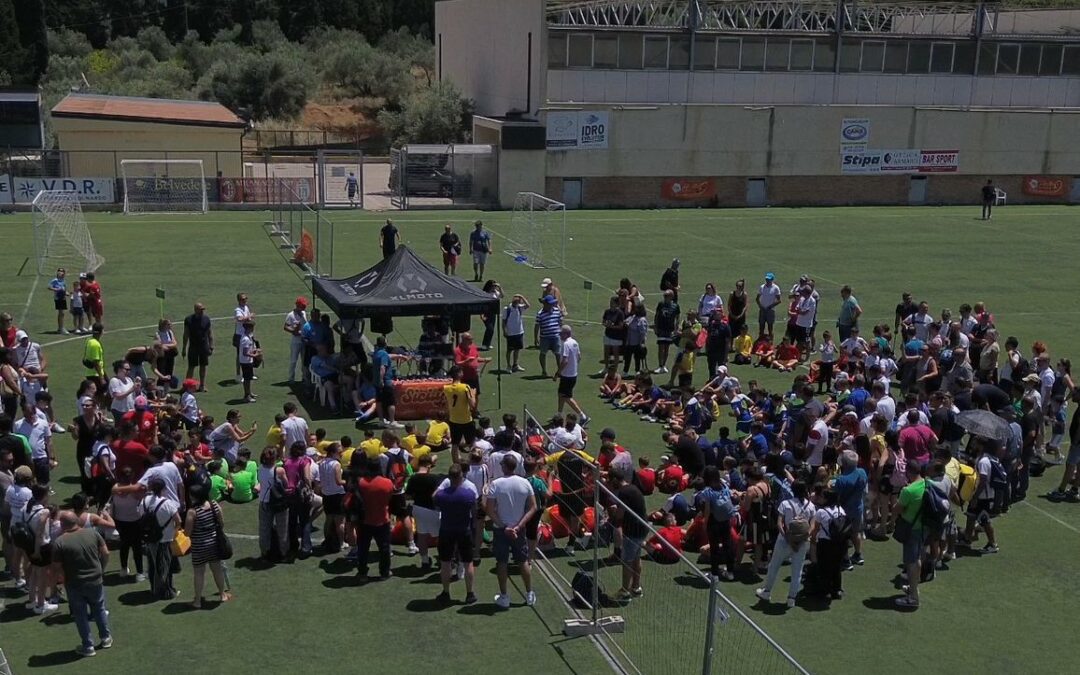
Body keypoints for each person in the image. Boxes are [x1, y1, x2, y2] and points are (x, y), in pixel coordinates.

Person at [50, 511, 113, 657]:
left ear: (63, 524)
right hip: (96, 580)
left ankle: (88, 646)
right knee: (99, 608)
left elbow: (56, 567)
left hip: (74, 583)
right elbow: (106, 553)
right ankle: (105, 638)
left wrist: (62, 580)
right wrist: (101, 569)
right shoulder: (93, 533)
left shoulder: (60, 542)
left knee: (80, 615)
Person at [486, 454, 538, 609]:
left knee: (502, 562)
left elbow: (489, 509)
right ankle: (529, 594)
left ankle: (504, 597)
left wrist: (504, 526)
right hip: (518, 530)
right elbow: (533, 507)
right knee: (523, 561)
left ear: (504, 467)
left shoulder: (496, 484)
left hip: (501, 530)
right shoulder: (525, 483)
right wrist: (518, 526)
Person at [756, 480, 815, 609]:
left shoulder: (785, 504)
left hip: (784, 540)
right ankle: (791, 598)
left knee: (774, 566)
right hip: (802, 542)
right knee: (797, 570)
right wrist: (803, 538)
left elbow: (779, 523)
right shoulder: (811, 506)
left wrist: (788, 538)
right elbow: (812, 525)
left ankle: (766, 592)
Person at [433, 463, 477, 604]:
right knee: (468, 563)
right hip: (464, 530)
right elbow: (474, 511)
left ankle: (446, 592)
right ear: (461, 476)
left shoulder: (441, 495)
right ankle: (470, 593)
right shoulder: (468, 494)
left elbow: (435, 499)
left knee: (445, 563)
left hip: (446, 530)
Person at [184, 483, 233, 608]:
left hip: (199, 546)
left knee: (199, 573)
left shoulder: (192, 512)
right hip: (214, 544)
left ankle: (198, 601)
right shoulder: (214, 505)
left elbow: (187, 533)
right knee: (217, 570)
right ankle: (222, 595)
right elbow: (221, 523)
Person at [139, 476, 181, 600]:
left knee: (152, 565)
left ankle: (154, 589)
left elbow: (141, 515)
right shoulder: (167, 503)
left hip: (150, 538)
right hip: (165, 539)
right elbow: (178, 520)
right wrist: (175, 532)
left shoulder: (144, 501)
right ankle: (167, 592)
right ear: (163, 488)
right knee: (165, 567)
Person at [894, 460, 928, 608]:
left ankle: (913, 598)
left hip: (911, 529)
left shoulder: (908, 491)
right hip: (924, 527)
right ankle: (914, 587)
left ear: (908, 472)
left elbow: (897, 509)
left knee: (911, 562)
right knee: (917, 558)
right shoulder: (927, 484)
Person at [611, 464, 648, 601]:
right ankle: (636, 587)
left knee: (627, 561)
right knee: (636, 558)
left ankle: (625, 591)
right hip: (641, 528)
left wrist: (612, 515)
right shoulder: (633, 488)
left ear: (615, 479)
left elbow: (620, 515)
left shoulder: (624, 492)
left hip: (633, 530)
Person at [356, 457, 394, 579]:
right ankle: (384, 572)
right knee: (384, 548)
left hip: (365, 520)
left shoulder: (361, 482)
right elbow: (390, 498)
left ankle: (362, 573)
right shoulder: (387, 483)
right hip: (382, 519)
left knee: (363, 549)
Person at [700, 466, 736, 581]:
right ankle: (730, 572)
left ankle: (714, 574)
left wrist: (705, 523)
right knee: (727, 545)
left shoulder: (707, 492)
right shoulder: (724, 486)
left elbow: (707, 510)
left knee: (714, 548)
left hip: (714, 522)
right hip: (726, 521)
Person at [813, 489, 847, 601]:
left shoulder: (821, 512)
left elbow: (815, 529)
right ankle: (837, 590)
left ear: (827, 499)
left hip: (825, 544)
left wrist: (813, 540)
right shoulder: (841, 510)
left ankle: (825, 591)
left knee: (824, 567)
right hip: (840, 543)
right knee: (836, 567)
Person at [256, 447, 288, 562]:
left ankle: (265, 553)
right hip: (278, 501)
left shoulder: (260, 468)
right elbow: (286, 484)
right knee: (282, 528)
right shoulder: (279, 470)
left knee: (264, 529)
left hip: (264, 501)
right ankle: (283, 553)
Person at [554, 325, 588, 426]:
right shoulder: (574, 342)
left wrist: (558, 372)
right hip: (572, 374)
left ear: (566, 334)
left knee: (566, 397)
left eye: (561, 333)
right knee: (561, 394)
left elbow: (564, 360)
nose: (560, 335)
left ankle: (583, 416)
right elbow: (579, 357)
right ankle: (559, 414)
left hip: (567, 375)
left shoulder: (566, 344)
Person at [372, 336, 403, 429]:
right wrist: (382, 380)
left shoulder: (377, 353)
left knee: (379, 401)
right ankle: (392, 421)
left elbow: (388, 356)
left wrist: (399, 356)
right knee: (391, 402)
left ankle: (381, 420)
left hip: (377, 382)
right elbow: (383, 367)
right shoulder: (384, 354)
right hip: (385, 381)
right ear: (385, 344)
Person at [182, 303, 213, 392]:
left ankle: (202, 385)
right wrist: (184, 348)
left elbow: (209, 333)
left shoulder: (206, 319)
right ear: (195, 309)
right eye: (200, 309)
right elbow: (186, 334)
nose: (202, 311)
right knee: (191, 366)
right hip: (193, 346)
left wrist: (211, 346)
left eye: (203, 309)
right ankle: (186, 386)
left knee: (203, 366)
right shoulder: (189, 320)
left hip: (204, 346)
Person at [534, 294, 563, 377]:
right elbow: (537, 326)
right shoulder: (540, 314)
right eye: (550, 304)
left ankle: (559, 371)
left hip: (555, 336)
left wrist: (560, 332)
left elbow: (560, 322)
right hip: (544, 337)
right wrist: (535, 338)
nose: (551, 305)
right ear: (545, 304)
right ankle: (544, 371)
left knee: (558, 353)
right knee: (543, 353)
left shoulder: (557, 311)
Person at [653, 290, 680, 374]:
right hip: (661, 328)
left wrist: (676, 329)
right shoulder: (661, 304)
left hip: (669, 329)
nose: (665, 298)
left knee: (667, 348)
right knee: (661, 347)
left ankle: (664, 365)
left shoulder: (675, 306)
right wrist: (656, 327)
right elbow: (657, 315)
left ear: (671, 297)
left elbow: (677, 318)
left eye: (667, 296)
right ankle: (660, 365)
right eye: (664, 296)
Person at [283, 297, 308, 384]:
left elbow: (306, 324)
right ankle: (291, 378)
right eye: (303, 305)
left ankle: (304, 377)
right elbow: (285, 327)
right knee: (293, 360)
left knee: (304, 360)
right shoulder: (291, 315)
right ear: (298, 305)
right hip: (296, 340)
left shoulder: (304, 313)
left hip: (304, 340)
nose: (304, 307)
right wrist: (293, 331)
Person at [503, 294, 529, 373]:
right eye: (516, 302)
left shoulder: (519, 308)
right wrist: (504, 331)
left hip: (519, 332)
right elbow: (503, 321)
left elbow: (528, 305)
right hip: (511, 333)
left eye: (518, 302)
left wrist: (522, 296)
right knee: (509, 350)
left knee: (517, 349)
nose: (517, 303)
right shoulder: (507, 309)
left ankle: (515, 365)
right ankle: (508, 365)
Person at [232, 293, 254, 383]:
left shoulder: (246, 307)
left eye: (246, 298)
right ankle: (238, 375)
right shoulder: (237, 310)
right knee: (239, 355)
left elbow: (247, 320)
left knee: (250, 352)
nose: (245, 300)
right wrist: (249, 317)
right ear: (239, 300)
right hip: (240, 335)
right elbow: (240, 319)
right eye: (243, 299)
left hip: (248, 334)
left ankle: (250, 373)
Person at [238, 321, 260, 403]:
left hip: (247, 361)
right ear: (249, 328)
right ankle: (246, 396)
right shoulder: (246, 339)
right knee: (247, 379)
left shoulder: (248, 337)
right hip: (246, 362)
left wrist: (254, 350)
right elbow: (245, 353)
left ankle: (249, 393)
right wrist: (255, 355)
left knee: (249, 378)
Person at [756, 272, 782, 341]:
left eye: (769, 279)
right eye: (766, 279)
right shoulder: (762, 287)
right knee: (761, 327)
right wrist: (760, 306)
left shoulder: (776, 288)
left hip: (770, 310)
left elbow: (779, 300)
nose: (767, 281)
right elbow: (757, 298)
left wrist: (770, 306)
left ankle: (770, 343)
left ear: (772, 280)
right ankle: (760, 342)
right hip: (762, 310)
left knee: (770, 328)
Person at [49, 268, 70, 335]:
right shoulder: (55, 280)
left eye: (62, 271)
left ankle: (60, 327)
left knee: (62, 313)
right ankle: (61, 328)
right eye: (60, 271)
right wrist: (56, 289)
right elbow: (49, 287)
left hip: (63, 297)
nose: (61, 273)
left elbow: (64, 288)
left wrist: (66, 293)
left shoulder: (63, 280)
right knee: (61, 313)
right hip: (58, 298)